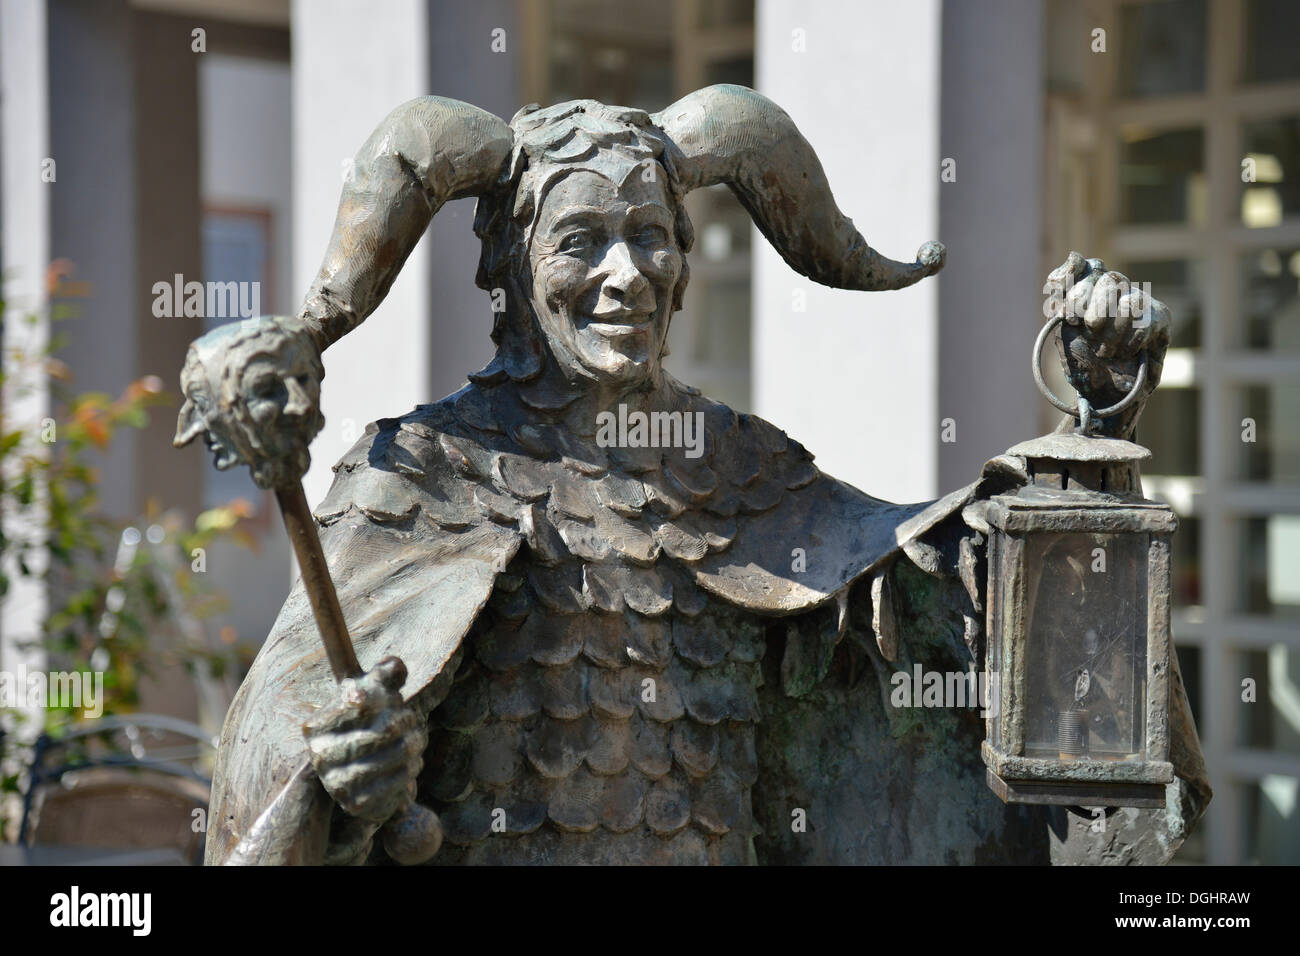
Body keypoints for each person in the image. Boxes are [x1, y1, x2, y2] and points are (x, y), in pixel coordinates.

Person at [182, 86, 1208, 865]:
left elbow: (951, 583)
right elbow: (281, 733)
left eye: (652, 236)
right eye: (582, 239)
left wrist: (1094, 417)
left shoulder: (740, 468)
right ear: (510, 265)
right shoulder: (416, 477)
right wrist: (339, 773)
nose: (627, 273)